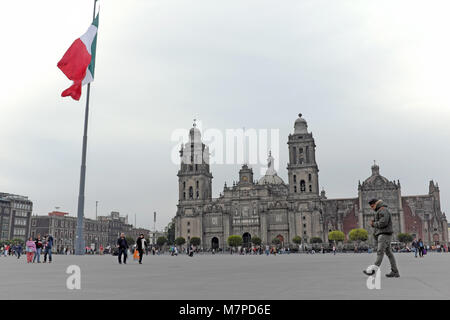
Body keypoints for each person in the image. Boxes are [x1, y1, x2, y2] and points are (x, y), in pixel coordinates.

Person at [363, 199, 400, 278]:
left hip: (384, 234)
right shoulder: (381, 210)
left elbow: (384, 222)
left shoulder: (383, 210)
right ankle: (395, 271)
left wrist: (374, 224)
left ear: (376, 204)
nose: (372, 208)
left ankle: (372, 270)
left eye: (372, 206)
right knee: (389, 253)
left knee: (380, 252)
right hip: (384, 234)